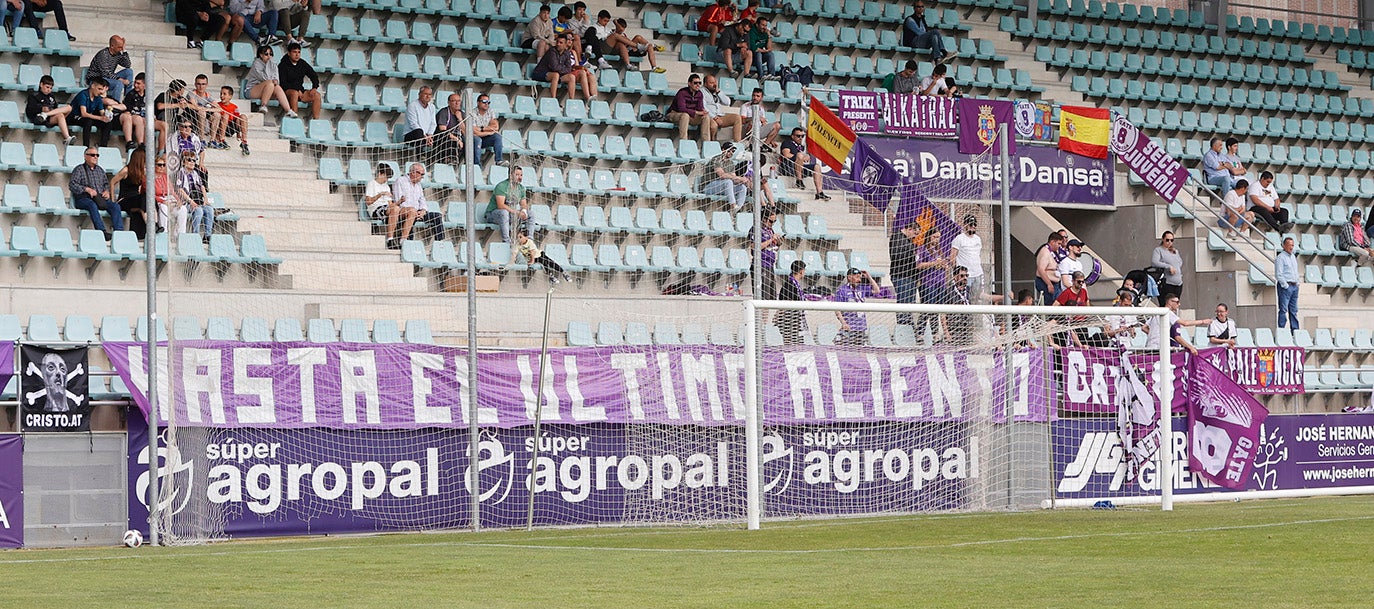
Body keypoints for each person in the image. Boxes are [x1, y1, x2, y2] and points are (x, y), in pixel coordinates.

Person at [69, 147, 123, 238]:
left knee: (115, 206)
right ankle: (102, 231)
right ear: (85, 156)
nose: (95, 157)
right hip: (83, 198)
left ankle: (119, 232)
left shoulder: (100, 170)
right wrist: (86, 189)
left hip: (99, 198)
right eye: (92, 155)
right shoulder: (79, 169)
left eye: (97, 155)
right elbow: (72, 185)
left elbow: (105, 184)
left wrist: (106, 192)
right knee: (91, 205)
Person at [389, 162, 443, 244]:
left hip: (418, 212)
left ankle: (440, 243)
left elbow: (422, 200)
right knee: (411, 213)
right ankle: (407, 242)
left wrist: (423, 211)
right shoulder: (400, 181)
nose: (422, 177)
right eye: (421, 174)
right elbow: (398, 200)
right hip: (405, 211)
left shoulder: (418, 185)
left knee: (437, 216)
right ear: (413, 172)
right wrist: (414, 211)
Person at [484, 166, 537, 247]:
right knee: (504, 213)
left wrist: (524, 211)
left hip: (510, 214)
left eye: (521, 175)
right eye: (517, 175)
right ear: (510, 175)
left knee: (531, 214)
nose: (520, 177)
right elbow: (500, 205)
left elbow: (523, 204)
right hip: (493, 214)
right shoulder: (502, 186)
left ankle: (529, 240)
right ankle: (507, 241)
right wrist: (517, 212)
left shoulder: (521, 188)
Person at [244, 45, 296, 124]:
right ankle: (263, 105)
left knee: (277, 86)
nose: (269, 56)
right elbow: (264, 78)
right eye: (266, 54)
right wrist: (269, 65)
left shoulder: (272, 63)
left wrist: (275, 80)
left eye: (271, 54)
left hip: (267, 90)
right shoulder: (256, 63)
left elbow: (276, 78)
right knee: (270, 83)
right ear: (261, 55)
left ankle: (288, 110)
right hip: (252, 90)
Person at [533, 33, 593, 101]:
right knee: (555, 75)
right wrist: (565, 70)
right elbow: (554, 68)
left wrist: (565, 70)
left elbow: (569, 68)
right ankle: (553, 99)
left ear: (565, 45)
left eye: (561, 43)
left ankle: (571, 100)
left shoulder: (567, 53)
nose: (558, 44)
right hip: (541, 73)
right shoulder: (552, 51)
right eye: (557, 42)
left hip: (559, 74)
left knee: (571, 77)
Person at [599, 16, 666, 73]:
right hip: (619, 50)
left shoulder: (623, 34)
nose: (622, 29)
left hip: (628, 49)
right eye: (621, 27)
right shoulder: (612, 33)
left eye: (624, 28)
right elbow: (615, 21)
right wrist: (617, 24)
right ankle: (639, 50)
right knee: (621, 44)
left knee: (640, 38)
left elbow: (627, 42)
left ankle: (654, 66)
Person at [506, 228, 572, 284]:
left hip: (538, 255)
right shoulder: (518, 245)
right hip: (533, 258)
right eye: (518, 237)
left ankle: (563, 273)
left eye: (520, 237)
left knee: (549, 262)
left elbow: (533, 252)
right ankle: (552, 276)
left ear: (526, 237)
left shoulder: (530, 242)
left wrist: (532, 261)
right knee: (545, 262)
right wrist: (512, 260)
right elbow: (514, 253)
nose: (519, 239)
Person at [833, 267, 880, 345]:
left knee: (859, 351)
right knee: (844, 350)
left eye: (860, 277)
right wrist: (843, 323)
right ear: (849, 277)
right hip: (849, 326)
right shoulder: (841, 290)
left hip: (861, 326)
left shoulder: (861, 289)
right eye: (857, 277)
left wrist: (868, 276)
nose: (859, 280)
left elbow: (877, 290)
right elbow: (837, 310)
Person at [71, 78, 122, 148]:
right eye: (99, 89)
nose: (101, 92)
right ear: (93, 86)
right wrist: (101, 118)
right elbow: (84, 113)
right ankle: (86, 146)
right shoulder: (83, 94)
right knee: (88, 121)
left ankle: (103, 146)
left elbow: (102, 113)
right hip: (76, 117)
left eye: (102, 90)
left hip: (89, 117)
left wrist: (107, 114)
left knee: (108, 123)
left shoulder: (98, 98)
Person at [25, 74, 75, 145]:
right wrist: (41, 109)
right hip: (39, 118)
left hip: (50, 116)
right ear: (41, 84)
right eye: (47, 87)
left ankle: (45, 115)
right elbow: (29, 110)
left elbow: (55, 108)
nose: (49, 90)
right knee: (60, 115)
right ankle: (67, 137)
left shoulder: (51, 97)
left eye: (51, 88)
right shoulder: (34, 96)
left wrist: (49, 112)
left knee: (69, 108)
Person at [779, 128, 829, 200]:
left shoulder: (802, 147)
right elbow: (786, 155)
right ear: (793, 136)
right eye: (798, 136)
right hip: (788, 167)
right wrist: (801, 157)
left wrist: (806, 157)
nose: (800, 138)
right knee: (799, 155)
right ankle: (799, 180)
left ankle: (819, 192)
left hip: (800, 167)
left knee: (817, 166)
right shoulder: (787, 143)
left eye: (802, 136)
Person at [112, 148, 149, 239]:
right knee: (143, 199)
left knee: (145, 202)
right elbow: (112, 182)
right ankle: (151, 225)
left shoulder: (142, 172)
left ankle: (141, 234)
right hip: (124, 199)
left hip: (135, 199)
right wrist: (113, 201)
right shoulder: (126, 170)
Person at [278, 42, 321, 120]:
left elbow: (313, 75)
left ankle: (316, 121)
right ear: (289, 53)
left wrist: (314, 87)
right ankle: (294, 119)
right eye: (294, 52)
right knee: (294, 93)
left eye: (299, 52)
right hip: (286, 92)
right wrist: (297, 90)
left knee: (317, 95)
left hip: (300, 91)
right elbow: (283, 83)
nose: (297, 54)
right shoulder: (283, 65)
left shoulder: (302, 63)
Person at [889, 221, 919, 326]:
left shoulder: (909, 241)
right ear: (910, 229)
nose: (915, 237)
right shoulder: (897, 238)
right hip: (901, 275)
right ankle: (902, 326)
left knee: (910, 303)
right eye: (915, 234)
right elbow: (896, 256)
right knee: (903, 301)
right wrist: (913, 253)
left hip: (911, 276)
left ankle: (908, 324)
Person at [179, 152, 215, 242]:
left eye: (194, 161)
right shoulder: (180, 173)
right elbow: (180, 190)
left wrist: (205, 200)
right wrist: (191, 202)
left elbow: (202, 186)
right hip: (186, 201)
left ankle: (207, 236)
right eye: (189, 160)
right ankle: (195, 234)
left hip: (197, 200)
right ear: (183, 162)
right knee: (198, 210)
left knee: (209, 209)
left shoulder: (195, 173)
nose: (192, 162)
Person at [748, 207, 781, 298]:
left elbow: (772, 247)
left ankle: (766, 313)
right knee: (763, 297)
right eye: (771, 221)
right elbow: (754, 247)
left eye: (774, 222)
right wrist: (771, 240)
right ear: (764, 219)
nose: (772, 224)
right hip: (760, 266)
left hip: (770, 265)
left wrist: (777, 243)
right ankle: (761, 313)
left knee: (771, 297)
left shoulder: (770, 230)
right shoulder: (756, 229)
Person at [703, 143, 748, 210]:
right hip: (709, 186)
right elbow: (722, 175)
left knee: (742, 187)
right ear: (723, 150)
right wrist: (738, 177)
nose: (731, 153)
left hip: (722, 187)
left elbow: (734, 179)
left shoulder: (731, 163)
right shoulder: (716, 159)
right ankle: (733, 205)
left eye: (733, 151)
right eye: (729, 150)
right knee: (728, 182)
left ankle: (738, 209)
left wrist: (742, 180)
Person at [88, 35, 133, 101]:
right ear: (112, 46)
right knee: (119, 83)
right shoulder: (103, 54)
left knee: (129, 71)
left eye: (121, 47)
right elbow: (105, 73)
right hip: (97, 78)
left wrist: (124, 51)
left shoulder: (118, 54)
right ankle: (115, 106)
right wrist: (121, 79)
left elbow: (127, 65)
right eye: (119, 47)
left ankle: (128, 100)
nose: (120, 49)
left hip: (108, 78)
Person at [949, 214, 984, 299]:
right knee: (965, 297)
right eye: (971, 224)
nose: (973, 226)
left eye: (975, 224)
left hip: (978, 273)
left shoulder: (978, 239)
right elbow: (952, 258)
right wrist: (957, 273)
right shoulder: (959, 239)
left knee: (977, 297)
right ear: (965, 225)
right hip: (966, 275)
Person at [668, 74, 712, 142]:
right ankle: (684, 142)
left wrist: (703, 112)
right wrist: (696, 112)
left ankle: (706, 143)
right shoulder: (682, 92)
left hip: (690, 116)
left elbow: (699, 108)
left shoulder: (699, 94)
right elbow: (681, 109)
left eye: (699, 83)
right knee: (685, 115)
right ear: (689, 83)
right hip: (674, 114)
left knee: (706, 117)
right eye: (695, 83)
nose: (698, 85)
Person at [775, 260, 809, 345]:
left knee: (798, 343)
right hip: (789, 320)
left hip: (797, 319)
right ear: (801, 271)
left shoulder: (794, 283)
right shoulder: (790, 284)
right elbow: (786, 302)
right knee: (790, 344)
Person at [701, 74, 743, 142]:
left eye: (715, 82)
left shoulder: (716, 91)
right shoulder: (702, 92)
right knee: (713, 126)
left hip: (720, 115)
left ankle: (737, 143)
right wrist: (715, 117)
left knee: (737, 117)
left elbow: (727, 102)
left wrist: (718, 92)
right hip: (710, 116)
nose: (714, 84)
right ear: (705, 84)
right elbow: (703, 107)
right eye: (711, 83)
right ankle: (712, 143)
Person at [186, 74, 225, 144]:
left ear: (207, 85)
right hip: (192, 116)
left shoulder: (208, 95)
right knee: (202, 112)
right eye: (199, 84)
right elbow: (196, 107)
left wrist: (208, 109)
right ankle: (201, 139)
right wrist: (205, 109)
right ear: (195, 84)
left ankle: (212, 141)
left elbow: (220, 109)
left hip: (203, 114)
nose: (201, 87)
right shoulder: (191, 94)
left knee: (217, 115)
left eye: (203, 84)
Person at [468, 93, 504, 166]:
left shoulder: (490, 111)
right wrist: (488, 131)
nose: (486, 104)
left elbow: (496, 127)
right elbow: (474, 132)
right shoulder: (472, 113)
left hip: (485, 139)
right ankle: (476, 165)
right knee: (478, 139)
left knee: (497, 136)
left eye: (488, 102)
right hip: (474, 139)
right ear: (478, 102)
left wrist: (481, 128)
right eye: (484, 101)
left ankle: (499, 160)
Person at [213, 85, 249, 155]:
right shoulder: (217, 105)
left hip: (230, 128)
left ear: (230, 96)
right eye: (221, 93)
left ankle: (244, 142)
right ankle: (222, 140)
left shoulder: (234, 107)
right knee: (225, 116)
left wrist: (238, 133)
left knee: (243, 116)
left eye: (224, 94)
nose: (221, 96)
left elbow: (237, 120)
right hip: (220, 128)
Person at [1274, 236, 1300, 330]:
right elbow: (1278, 274)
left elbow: (1295, 271)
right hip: (1286, 286)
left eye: (1292, 245)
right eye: (1289, 245)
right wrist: (1285, 286)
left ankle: (1295, 330)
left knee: (1294, 310)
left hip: (1294, 285)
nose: (1291, 247)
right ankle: (1281, 329)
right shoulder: (1280, 258)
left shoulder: (1293, 256)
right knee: (1283, 309)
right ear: (1284, 246)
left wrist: (1297, 283)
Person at [1152, 231, 1185, 302]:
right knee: (1166, 303)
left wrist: (1176, 268)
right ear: (1163, 239)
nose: (1169, 242)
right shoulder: (1158, 250)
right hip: (1167, 283)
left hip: (1178, 283)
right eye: (1167, 240)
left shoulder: (1175, 251)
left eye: (1171, 240)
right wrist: (1168, 266)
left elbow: (1180, 262)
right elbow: (1154, 262)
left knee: (1175, 304)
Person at [1034, 231, 1065, 305]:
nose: (1059, 246)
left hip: (1055, 283)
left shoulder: (1053, 252)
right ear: (1052, 241)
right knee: (1050, 304)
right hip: (1045, 282)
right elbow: (1041, 269)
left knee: (1058, 303)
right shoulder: (1045, 252)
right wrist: (1049, 284)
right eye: (1058, 243)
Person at [119, 73, 148, 151]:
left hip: (144, 118)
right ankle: (138, 143)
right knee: (139, 119)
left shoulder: (148, 95)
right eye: (135, 83)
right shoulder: (131, 94)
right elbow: (127, 111)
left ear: (145, 85)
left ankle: (146, 147)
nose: (135, 85)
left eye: (138, 83)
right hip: (133, 118)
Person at [365, 163, 394, 228]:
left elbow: (390, 204)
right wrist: (380, 194)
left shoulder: (386, 187)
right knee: (394, 212)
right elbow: (368, 202)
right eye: (386, 177)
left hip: (386, 209)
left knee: (396, 210)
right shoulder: (371, 184)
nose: (386, 180)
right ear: (380, 173)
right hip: (376, 210)